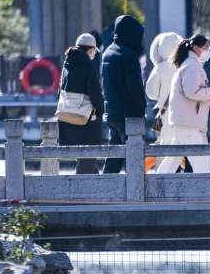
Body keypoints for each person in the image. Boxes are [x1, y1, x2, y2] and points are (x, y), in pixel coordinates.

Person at [156, 34, 210, 174]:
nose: (208, 51)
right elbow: (192, 92)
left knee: (172, 161)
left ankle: (155, 186)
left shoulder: (190, 64)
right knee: (202, 163)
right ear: (196, 48)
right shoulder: (192, 66)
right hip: (189, 123)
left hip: (184, 121)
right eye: (206, 48)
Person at [101, 14, 146, 174]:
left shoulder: (107, 52)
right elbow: (135, 88)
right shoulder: (128, 55)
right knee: (134, 157)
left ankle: (105, 189)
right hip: (129, 115)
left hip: (112, 112)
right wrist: (142, 108)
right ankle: (136, 193)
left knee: (115, 155)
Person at [57, 32, 105, 174]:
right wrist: (101, 111)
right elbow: (95, 92)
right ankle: (79, 189)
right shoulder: (87, 65)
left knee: (84, 158)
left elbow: (60, 90)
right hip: (86, 119)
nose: (94, 54)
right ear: (90, 49)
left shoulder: (67, 63)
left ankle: (96, 189)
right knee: (88, 156)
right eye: (94, 51)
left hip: (67, 116)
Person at [145, 31, 183, 144]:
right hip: (184, 115)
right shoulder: (185, 65)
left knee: (165, 149)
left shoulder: (159, 68)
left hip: (165, 114)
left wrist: (161, 95)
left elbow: (150, 92)